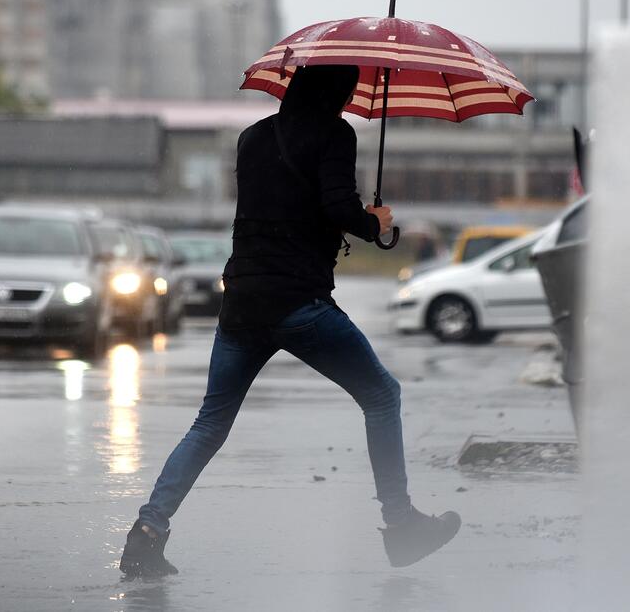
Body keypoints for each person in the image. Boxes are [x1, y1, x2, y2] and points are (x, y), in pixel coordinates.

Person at [119, 65, 460, 577]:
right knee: (382, 395)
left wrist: (351, 215)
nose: (347, 103)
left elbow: (284, 205)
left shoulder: (252, 137)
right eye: (345, 93)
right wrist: (374, 222)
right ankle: (402, 524)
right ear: (334, 94)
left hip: (242, 302)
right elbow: (334, 206)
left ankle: (147, 532)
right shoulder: (335, 134)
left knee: (209, 423)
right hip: (299, 302)